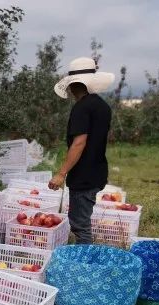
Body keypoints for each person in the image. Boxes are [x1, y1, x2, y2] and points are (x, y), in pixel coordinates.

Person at [48, 57, 114, 244]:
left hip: (84, 174)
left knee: (80, 224)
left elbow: (79, 143)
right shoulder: (102, 105)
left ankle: (85, 265)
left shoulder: (82, 108)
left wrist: (61, 174)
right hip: (97, 170)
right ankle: (85, 258)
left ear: (74, 85)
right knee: (82, 220)